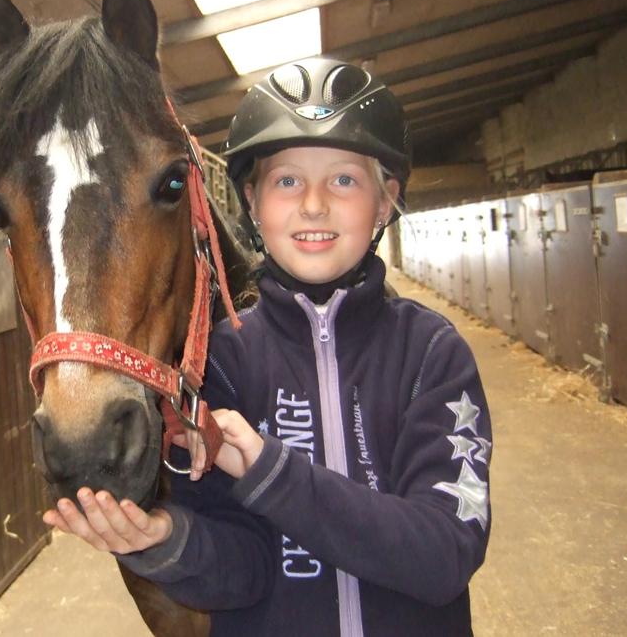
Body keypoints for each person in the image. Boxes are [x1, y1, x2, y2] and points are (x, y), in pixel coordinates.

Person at [43, 56, 492, 636]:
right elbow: (244, 573)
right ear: (252, 205)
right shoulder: (216, 367)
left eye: (344, 180)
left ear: (385, 204)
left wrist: (270, 470)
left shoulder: (433, 353)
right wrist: (167, 543)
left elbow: (443, 556)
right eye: (287, 181)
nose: (313, 203)